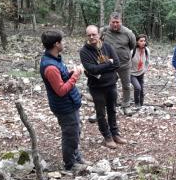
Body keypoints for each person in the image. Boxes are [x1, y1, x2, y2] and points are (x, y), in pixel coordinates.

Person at [39, 30, 85, 171]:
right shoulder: (51, 67)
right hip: (63, 106)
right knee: (70, 134)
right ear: (56, 44)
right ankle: (70, 164)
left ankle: (76, 156)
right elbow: (60, 90)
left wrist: (70, 73)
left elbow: (62, 78)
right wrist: (75, 76)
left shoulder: (56, 59)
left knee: (75, 130)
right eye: (61, 41)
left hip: (70, 102)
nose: (63, 44)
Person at [80, 25, 126, 149]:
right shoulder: (84, 52)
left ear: (98, 34)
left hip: (111, 84)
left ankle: (115, 133)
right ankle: (107, 136)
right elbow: (91, 69)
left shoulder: (107, 47)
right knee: (100, 113)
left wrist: (102, 67)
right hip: (96, 87)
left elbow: (116, 63)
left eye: (94, 34)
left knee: (112, 110)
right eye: (89, 35)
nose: (91, 37)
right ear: (86, 36)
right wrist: (108, 63)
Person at [100, 12, 136, 116]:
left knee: (126, 86)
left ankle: (126, 105)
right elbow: (99, 43)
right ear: (109, 22)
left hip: (124, 64)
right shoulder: (104, 31)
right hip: (109, 64)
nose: (115, 24)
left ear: (121, 22)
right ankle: (110, 104)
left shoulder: (128, 33)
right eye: (113, 22)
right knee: (109, 85)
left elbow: (132, 45)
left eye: (117, 22)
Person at [130, 34, 150, 109]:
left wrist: (144, 69)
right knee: (137, 87)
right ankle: (137, 104)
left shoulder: (147, 50)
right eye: (141, 41)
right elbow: (128, 63)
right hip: (132, 73)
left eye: (144, 41)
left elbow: (147, 61)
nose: (143, 42)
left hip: (141, 73)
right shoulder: (132, 51)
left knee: (141, 89)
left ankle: (141, 104)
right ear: (137, 42)